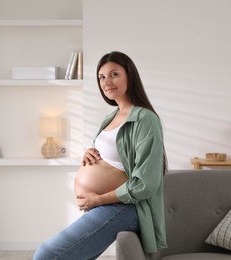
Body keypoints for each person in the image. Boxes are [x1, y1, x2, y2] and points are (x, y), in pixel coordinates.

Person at [33, 51, 167, 260]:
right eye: (101, 77)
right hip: (107, 205)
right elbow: (114, 155)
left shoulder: (145, 119)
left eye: (114, 74)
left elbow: (146, 184)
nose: (107, 82)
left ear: (129, 76)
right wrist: (89, 153)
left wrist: (98, 199)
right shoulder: (111, 117)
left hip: (125, 207)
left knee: (46, 255)